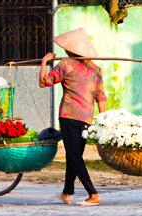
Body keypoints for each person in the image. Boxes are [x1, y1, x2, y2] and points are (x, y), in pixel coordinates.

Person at [39, 28, 106, 205]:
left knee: (74, 156)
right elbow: (101, 96)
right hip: (86, 119)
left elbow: (43, 82)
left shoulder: (65, 64)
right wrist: (103, 119)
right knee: (73, 155)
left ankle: (93, 194)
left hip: (69, 116)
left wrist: (45, 61)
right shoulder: (96, 69)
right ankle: (67, 192)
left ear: (71, 50)